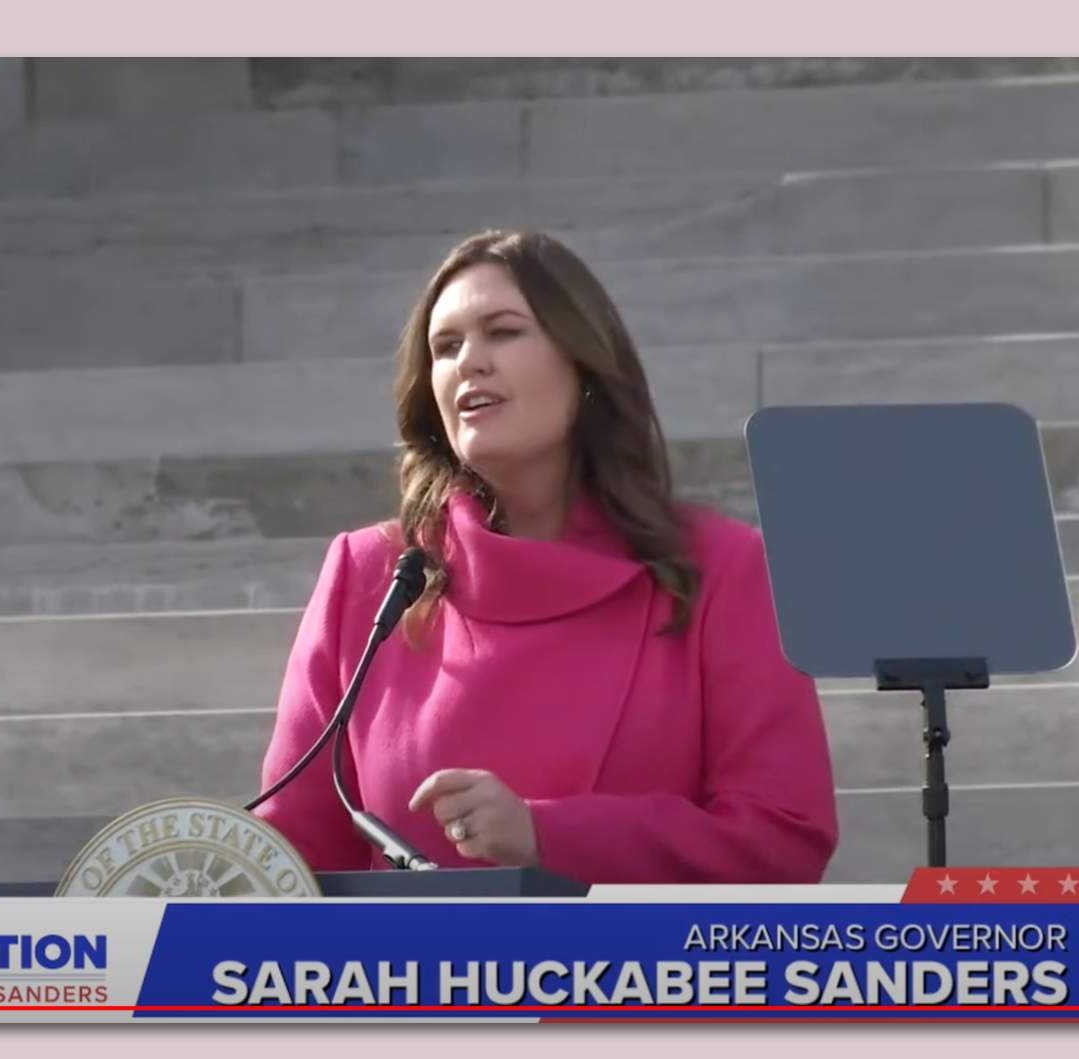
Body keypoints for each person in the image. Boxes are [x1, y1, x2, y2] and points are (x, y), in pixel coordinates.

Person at [251, 230, 838, 885]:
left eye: (503, 333)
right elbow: (290, 856)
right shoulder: (371, 573)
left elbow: (780, 839)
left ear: (584, 364)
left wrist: (545, 835)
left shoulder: (722, 569)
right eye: (445, 347)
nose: (469, 361)